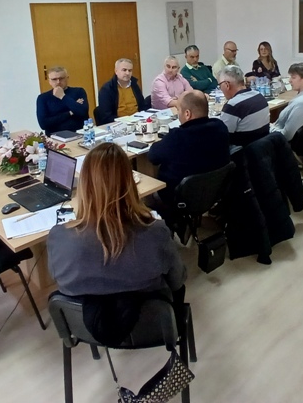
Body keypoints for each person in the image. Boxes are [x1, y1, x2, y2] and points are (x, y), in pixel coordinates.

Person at [47, 143, 187, 338]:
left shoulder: (59, 237)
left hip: (87, 328)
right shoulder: (157, 233)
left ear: (85, 186)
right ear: (129, 182)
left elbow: (63, 283)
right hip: (152, 326)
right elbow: (178, 281)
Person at [147, 91, 230, 225]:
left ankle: (163, 228)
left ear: (187, 114)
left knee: (149, 193)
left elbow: (152, 157)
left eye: (178, 110)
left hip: (178, 197)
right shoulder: (220, 127)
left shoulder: (177, 138)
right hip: (214, 192)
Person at [218, 65, 270, 146]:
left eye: (220, 86)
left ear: (227, 85)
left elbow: (222, 137)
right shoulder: (259, 96)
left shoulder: (233, 105)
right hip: (264, 148)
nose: (220, 89)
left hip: (243, 151)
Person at [36, 66, 89, 134]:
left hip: (79, 132)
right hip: (56, 135)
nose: (58, 82)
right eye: (54, 79)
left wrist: (63, 96)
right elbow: (43, 124)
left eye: (61, 78)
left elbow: (83, 112)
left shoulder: (79, 91)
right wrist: (70, 112)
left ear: (67, 78)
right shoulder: (43, 98)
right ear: (49, 81)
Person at [96, 58, 147, 125]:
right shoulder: (107, 89)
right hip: (118, 124)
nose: (127, 73)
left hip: (137, 122)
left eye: (130, 70)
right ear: (116, 71)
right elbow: (106, 116)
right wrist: (124, 121)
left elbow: (143, 106)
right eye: (124, 70)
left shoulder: (134, 85)